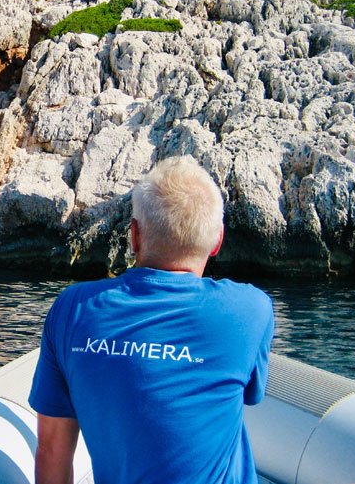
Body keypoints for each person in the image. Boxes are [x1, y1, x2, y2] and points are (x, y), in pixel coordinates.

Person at [29, 156, 275, 484]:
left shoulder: (71, 309)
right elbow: (250, 394)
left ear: (134, 236)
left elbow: (51, 450)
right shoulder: (252, 311)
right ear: (217, 241)